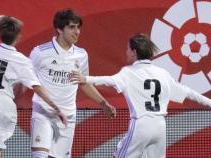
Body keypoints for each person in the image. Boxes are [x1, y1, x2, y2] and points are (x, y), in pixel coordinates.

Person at [71, 33, 211, 158]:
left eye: (127, 49)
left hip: (141, 124)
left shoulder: (129, 72)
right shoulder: (162, 73)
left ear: (134, 52)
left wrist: (86, 79)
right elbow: (189, 93)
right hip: (160, 127)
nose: (126, 52)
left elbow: (109, 80)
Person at [29, 9, 116, 158]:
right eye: (71, 27)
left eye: (78, 27)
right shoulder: (40, 52)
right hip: (43, 113)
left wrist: (103, 103)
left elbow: (84, 83)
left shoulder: (81, 55)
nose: (77, 32)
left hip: (68, 117)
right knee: (40, 156)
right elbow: (28, 80)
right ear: (59, 29)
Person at [0, 15, 67, 158]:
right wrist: (57, 109)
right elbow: (36, 87)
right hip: (8, 105)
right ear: (18, 37)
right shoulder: (22, 61)